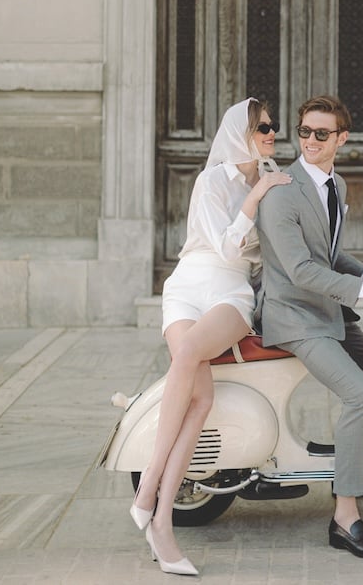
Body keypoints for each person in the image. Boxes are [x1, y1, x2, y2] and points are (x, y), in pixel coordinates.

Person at [130, 97, 291, 576]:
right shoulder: (212, 180)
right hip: (186, 286)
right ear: (239, 132)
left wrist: (266, 194)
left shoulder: (269, 182)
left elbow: (257, 256)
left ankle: (148, 490)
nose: (271, 133)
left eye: (273, 127)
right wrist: (256, 195)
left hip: (231, 293)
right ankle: (160, 521)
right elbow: (221, 242)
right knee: (198, 401)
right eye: (263, 126)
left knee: (188, 363)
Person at [256, 95, 363, 560]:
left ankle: (353, 466)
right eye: (304, 131)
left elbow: (330, 256)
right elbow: (303, 271)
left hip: (324, 308)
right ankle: (346, 518)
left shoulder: (335, 186)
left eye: (320, 134)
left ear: (341, 138)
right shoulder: (282, 191)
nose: (309, 141)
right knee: (358, 393)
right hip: (293, 314)